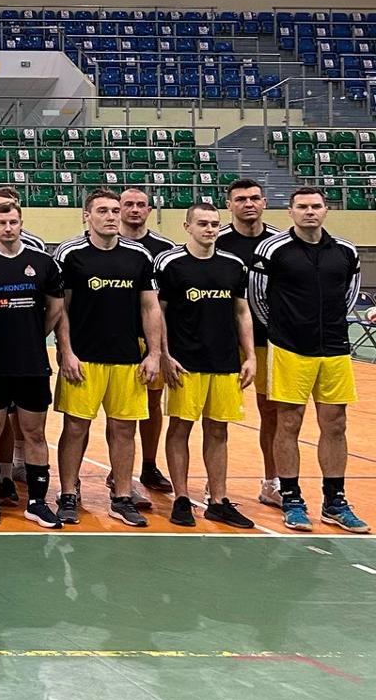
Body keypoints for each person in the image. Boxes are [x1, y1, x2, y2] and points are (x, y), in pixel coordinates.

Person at [250, 187, 366, 533]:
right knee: (288, 423)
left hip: (334, 349)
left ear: (327, 210)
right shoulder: (271, 250)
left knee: (336, 424)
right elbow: (258, 298)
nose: (309, 212)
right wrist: (282, 331)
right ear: (290, 212)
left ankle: (334, 501)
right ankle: (291, 499)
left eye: (316, 206)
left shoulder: (346, 251)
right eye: (302, 206)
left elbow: (348, 296)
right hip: (289, 349)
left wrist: (330, 326)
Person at [52, 190, 165, 528]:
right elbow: (61, 309)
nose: (111, 216)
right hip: (84, 358)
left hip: (128, 359)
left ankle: (122, 496)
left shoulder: (138, 255)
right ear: (87, 216)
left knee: (123, 429)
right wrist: (66, 351)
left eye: (115, 210)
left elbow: (150, 307)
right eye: (102, 211)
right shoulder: (70, 254)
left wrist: (154, 353)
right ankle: (68, 493)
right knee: (75, 427)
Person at [0, 200, 65, 529]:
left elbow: (55, 309)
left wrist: (32, 336)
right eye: (2, 222)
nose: (8, 228)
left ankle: (37, 502)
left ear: (21, 223)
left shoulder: (43, 262)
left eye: (14, 222)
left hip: (31, 363)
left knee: (34, 432)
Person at [157, 203, 257, 529]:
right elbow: (158, 313)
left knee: (218, 430)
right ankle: (182, 498)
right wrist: (164, 354)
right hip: (185, 363)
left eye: (214, 223)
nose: (210, 229)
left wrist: (250, 356)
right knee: (180, 428)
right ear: (187, 227)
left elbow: (241, 312)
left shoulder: (233, 265)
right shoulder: (170, 263)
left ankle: (218, 500)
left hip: (225, 362)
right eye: (202, 223)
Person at [215, 178, 283, 508]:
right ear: (229, 205)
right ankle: (214, 485)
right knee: (216, 417)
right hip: (223, 342)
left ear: (265, 203)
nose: (248, 204)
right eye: (241, 199)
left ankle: (272, 483)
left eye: (255, 198)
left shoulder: (279, 243)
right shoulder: (216, 240)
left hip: (269, 341)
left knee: (271, 413)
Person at [119, 187, 177, 506]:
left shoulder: (164, 250)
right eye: (128, 204)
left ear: (149, 210)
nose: (135, 209)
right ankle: (118, 472)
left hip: (151, 339)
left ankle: (149, 465)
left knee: (152, 404)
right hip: (114, 338)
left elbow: (165, 303)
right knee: (115, 413)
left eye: (141, 204)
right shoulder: (105, 242)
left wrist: (162, 350)